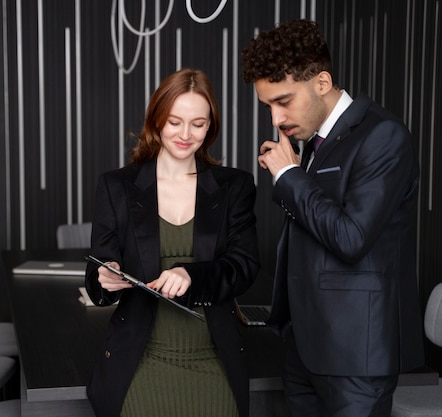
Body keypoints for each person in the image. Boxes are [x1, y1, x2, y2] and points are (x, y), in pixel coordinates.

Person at [241, 19, 424, 417]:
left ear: (322, 82)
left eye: (283, 101)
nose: (275, 118)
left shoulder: (383, 136)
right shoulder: (315, 141)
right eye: (268, 105)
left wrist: (288, 177)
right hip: (305, 349)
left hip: (356, 356)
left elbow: (351, 237)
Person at [85, 68, 260, 417]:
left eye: (198, 123)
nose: (185, 134)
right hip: (141, 360)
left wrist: (192, 275)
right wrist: (107, 278)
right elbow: (96, 276)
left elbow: (243, 266)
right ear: (156, 120)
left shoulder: (235, 186)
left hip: (214, 360)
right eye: (174, 121)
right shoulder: (117, 186)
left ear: (210, 126)